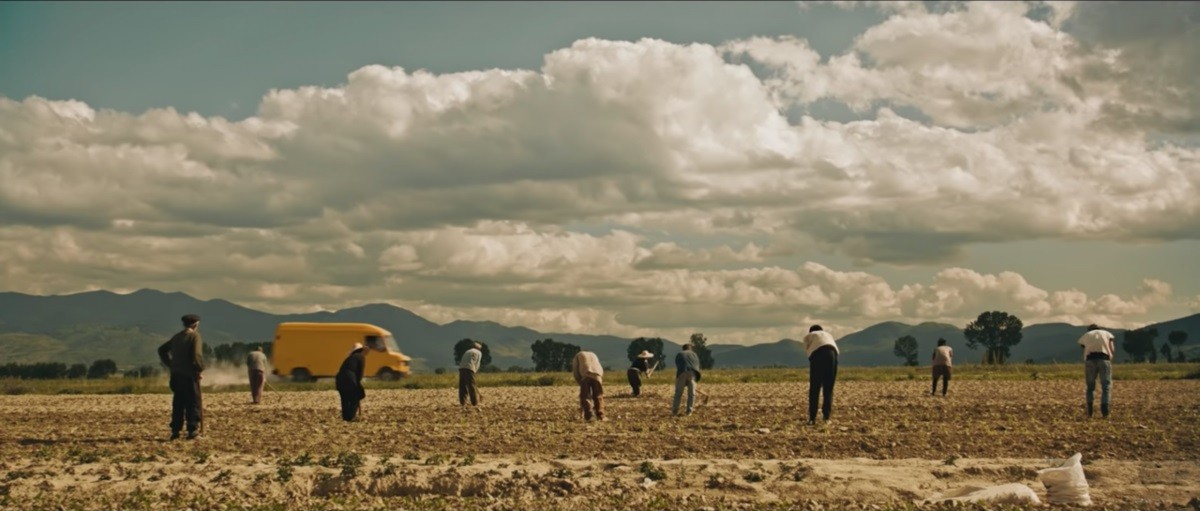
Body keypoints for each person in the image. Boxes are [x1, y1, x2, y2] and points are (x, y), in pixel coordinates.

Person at [157, 314, 205, 440]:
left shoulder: (177, 337)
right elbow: (197, 355)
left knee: (178, 403)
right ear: (195, 324)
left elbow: (162, 350)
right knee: (192, 402)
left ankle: (175, 431)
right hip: (188, 375)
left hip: (175, 375)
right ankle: (192, 431)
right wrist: (200, 368)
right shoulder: (194, 336)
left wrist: (171, 364)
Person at [1077, 324, 1115, 418]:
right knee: (1106, 386)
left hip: (1090, 360)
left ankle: (1090, 411)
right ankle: (1105, 412)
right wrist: (1110, 356)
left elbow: (1084, 347)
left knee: (1090, 386)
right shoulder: (1107, 333)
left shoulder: (1087, 335)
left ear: (1089, 330)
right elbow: (1112, 347)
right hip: (1104, 359)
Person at [803, 325, 839, 425]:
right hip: (833, 354)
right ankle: (826, 418)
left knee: (815, 388)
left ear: (811, 331)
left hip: (818, 355)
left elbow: (808, 353)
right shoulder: (828, 335)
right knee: (828, 388)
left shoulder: (809, 336)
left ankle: (812, 418)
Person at [335, 343, 367, 421]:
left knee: (345, 399)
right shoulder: (361, 357)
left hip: (340, 379)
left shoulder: (349, 358)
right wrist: (358, 383)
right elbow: (360, 372)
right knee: (355, 397)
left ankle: (345, 417)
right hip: (350, 378)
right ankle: (351, 417)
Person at [571, 349, 605, 421]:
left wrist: (580, 382)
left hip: (586, 374)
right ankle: (600, 416)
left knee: (585, 396)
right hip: (598, 374)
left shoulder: (578, 355)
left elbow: (576, 371)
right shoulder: (593, 354)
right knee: (598, 396)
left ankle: (589, 416)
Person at [672, 344, 701, 416]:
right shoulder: (694, 354)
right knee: (691, 394)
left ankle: (675, 411)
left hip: (682, 372)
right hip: (692, 373)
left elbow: (678, 364)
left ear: (683, 349)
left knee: (678, 393)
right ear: (690, 349)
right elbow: (697, 365)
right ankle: (689, 412)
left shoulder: (679, 354)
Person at [458, 342, 482, 410]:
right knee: (471, 387)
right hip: (470, 368)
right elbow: (477, 363)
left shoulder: (467, 351)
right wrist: (475, 372)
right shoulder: (478, 352)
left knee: (462, 386)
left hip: (462, 368)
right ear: (478, 347)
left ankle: (463, 403)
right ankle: (474, 403)